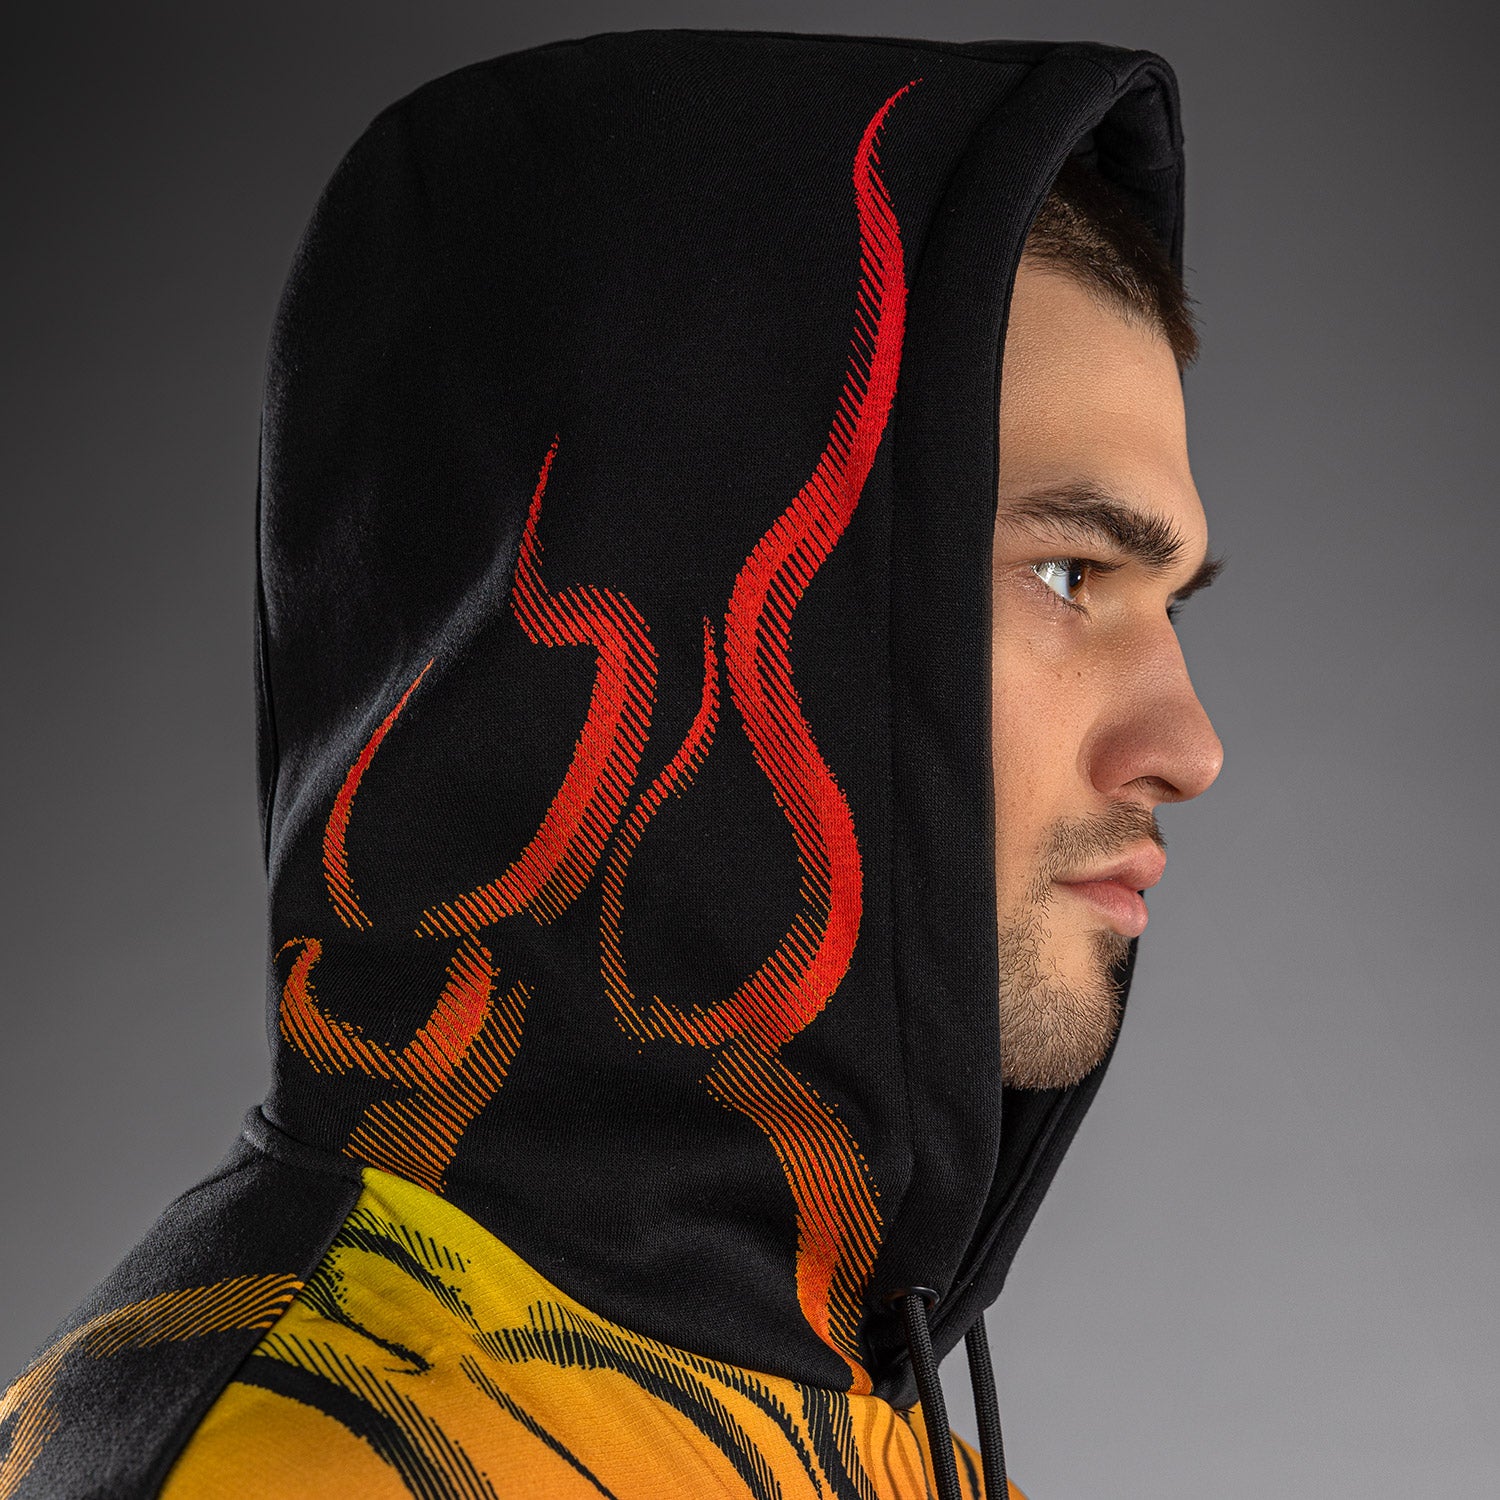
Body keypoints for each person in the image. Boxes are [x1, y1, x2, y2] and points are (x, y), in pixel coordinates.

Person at [0, 28, 1220, 1499]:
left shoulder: (872, 1444)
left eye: (1174, 604)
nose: (1191, 748)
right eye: (1071, 575)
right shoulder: (301, 1464)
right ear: (677, 567)